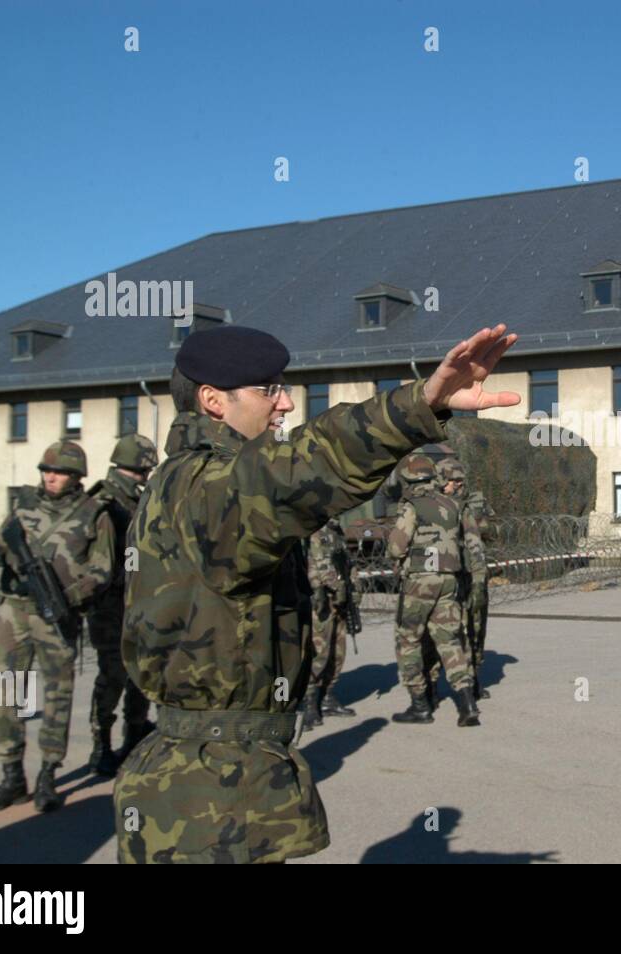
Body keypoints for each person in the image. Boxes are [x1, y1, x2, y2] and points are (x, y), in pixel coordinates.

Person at [114, 323, 518, 863]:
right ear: (213, 400)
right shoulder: (206, 487)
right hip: (208, 794)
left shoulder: (192, 479)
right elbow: (305, 467)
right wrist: (415, 408)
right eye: (267, 390)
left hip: (220, 772)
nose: (284, 404)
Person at [0, 441, 115, 813]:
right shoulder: (24, 505)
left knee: (57, 695)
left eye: (59, 472)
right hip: (15, 611)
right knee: (8, 692)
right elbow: (0, 540)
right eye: (46, 470)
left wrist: (68, 597)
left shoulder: (94, 514)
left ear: (76, 477)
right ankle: (11, 776)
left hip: (58, 614)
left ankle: (48, 775)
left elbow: (102, 570)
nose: (50, 477)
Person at [86, 433, 159, 776]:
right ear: (141, 466)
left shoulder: (134, 500)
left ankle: (135, 733)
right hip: (111, 607)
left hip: (138, 602)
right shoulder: (105, 501)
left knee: (140, 673)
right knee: (113, 675)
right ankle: (101, 744)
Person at [388, 455, 480, 727]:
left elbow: (396, 547)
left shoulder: (412, 506)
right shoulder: (453, 504)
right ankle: (467, 704)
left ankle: (420, 705)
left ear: (407, 478)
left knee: (408, 640)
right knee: (448, 640)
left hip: (420, 581)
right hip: (449, 579)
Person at [436, 456, 492, 698]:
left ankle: (473, 678)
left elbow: (492, 527)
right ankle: (432, 684)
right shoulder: (432, 505)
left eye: (461, 481)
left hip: (474, 574)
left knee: (475, 628)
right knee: (444, 631)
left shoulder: (473, 502)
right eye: (452, 481)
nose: (457, 486)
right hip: (445, 576)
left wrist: (476, 524)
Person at [302, 517, 356, 729]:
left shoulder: (336, 531)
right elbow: (317, 561)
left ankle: (328, 697)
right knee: (320, 651)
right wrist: (334, 585)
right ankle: (309, 704)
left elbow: (347, 562)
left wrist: (354, 586)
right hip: (323, 600)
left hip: (340, 600)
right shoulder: (315, 530)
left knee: (338, 651)